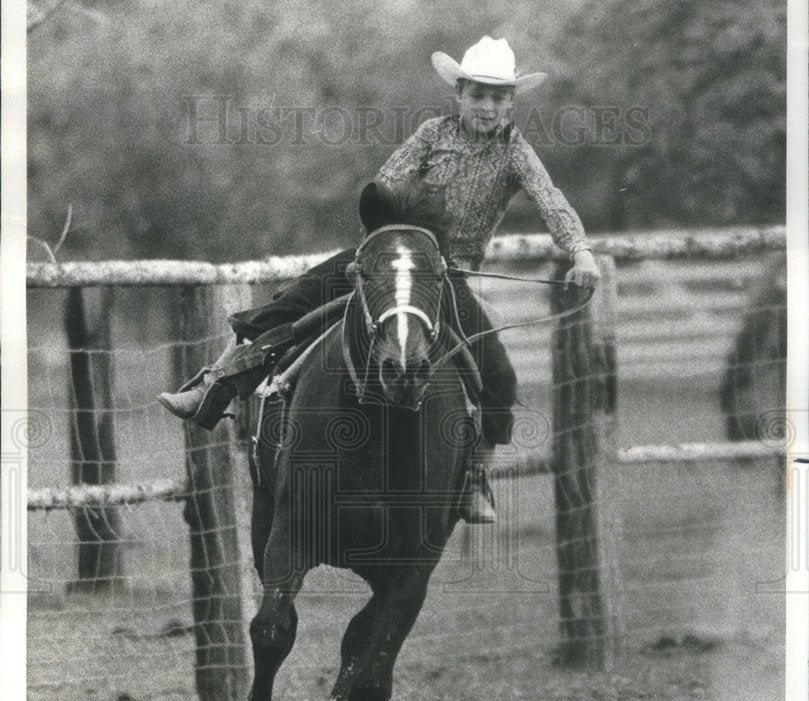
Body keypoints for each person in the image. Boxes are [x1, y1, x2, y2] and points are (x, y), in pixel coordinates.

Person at [159, 36, 601, 523]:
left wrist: (579, 250)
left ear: (512, 103)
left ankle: (475, 472)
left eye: (498, 97)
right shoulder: (432, 135)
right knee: (292, 299)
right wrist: (380, 242)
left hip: (445, 273)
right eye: (478, 95)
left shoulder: (517, 152)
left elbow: (549, 198)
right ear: (459, 95)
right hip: (389, 251)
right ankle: (214, 385)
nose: (487, 107)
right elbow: (387, 179)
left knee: (497, 372)